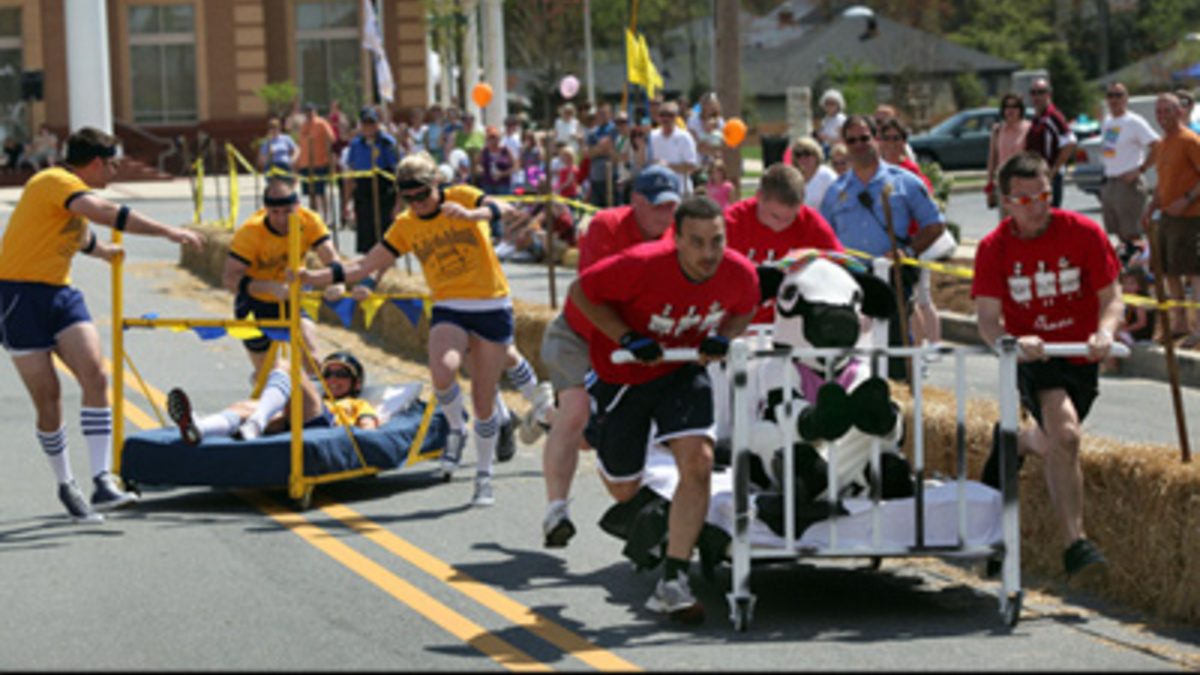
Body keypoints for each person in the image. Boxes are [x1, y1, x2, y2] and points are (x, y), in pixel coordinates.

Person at [568, 195, 758, 624]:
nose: (709, 254)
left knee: (699, 462)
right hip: (625, 376)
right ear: (676, 240)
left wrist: (724, 337)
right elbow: (581, 292)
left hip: (682, 370)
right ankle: (588, 428)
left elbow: (744, 309)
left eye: (717, 241)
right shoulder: (640, 264)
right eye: (697, 242)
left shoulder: (738, 272)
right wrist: (625, 337)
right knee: (623, 489)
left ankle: (672, 581)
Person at [0, 127, 204, 522]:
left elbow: (76, 232)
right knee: (50, 397)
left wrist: (102, 250)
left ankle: (102, 482)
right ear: (95, 163)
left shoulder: (69, 193)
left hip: (60, 294)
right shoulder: (54, 180)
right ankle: (66, 483)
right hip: (17, 297)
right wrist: (168, 231)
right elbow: (105, 214)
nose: (113, 171)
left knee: (95, 375)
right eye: (111, 164)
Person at [299, 152, 521, 507]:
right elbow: (366, 264)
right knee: (442, 372)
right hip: (450, 306)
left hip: (491, 305)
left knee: (483, 401)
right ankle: (454, 430)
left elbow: (504, 209)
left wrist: (474, 215)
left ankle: (483, 476)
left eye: (422, 195)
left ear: (437, 185)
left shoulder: (460, 197)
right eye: (409, 198)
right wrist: (315, 276)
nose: (417, 204)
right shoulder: (405, 225)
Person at [972, 151, 1123, 580]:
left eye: (1041, 195)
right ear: (1005, 201)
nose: (1035, 207)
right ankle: (1075, 543)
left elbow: (1111, 299)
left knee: (1056, 440)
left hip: (1079, 355)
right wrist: (1016, 343)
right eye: (1023, 200)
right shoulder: (993, 248)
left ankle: (1018, 444)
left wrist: (1106, 332)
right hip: (1036, 360)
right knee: (1068, 432)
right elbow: (986, 321)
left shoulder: (1084, 233)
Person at [538, 165, 681, 548]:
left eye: (672, 207)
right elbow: (598, 294)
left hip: (630, 347)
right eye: (658, 207)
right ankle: (556, 513)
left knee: (590, 437)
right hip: (580, 336)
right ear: (636, 202)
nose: (666, 216)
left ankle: (544, 414)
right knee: (578, 412)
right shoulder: (606, 226)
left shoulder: (679, 235)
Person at [820, 115, 946, 379]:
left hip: (892, 280)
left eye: (864, 138)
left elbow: (935, 225)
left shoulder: (904, 182)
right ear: (844, 143)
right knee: (849, 357)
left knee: (896, 353)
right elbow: (823, 237)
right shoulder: (835, 191)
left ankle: (903, 395)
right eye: (852, 140)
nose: (859, 145)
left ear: (876, 138)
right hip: (850, 282)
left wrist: (908, 251)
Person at [225, 178, 345, 378]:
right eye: (274, 213)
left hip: (294, 298)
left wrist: (338, 282)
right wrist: (268, 287)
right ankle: (269, 388)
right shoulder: (250, 232)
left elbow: (332, 258)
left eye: (287, 212)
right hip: (255, 303)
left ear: (297, 206)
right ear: (265, 209)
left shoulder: (309, 220)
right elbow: (229, 279)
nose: (281, 219)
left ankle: (311, 403)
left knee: (313, 361)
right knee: (266, 376)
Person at [166, 352, 379, 446]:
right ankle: (199, 428)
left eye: (341, 375)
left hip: (325, 425)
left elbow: (368, 429)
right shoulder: (317, 397)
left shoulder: (358, 404)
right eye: (328, 374)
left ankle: (256, 424)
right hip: (290, 422)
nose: (333, 380)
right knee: (243, 406)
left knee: (287, 366)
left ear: (356, 383)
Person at [725, 163, 841, 323]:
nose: (783, 223)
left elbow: (840, 268)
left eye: (791, 217)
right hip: (736, 325)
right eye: (775, 216)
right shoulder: (731, 222)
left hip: (791, 327)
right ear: (759, 197)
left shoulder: (811, 223)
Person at [878, 117, 943, 359]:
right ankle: (912, 350)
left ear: (905, 142)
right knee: (904, 303)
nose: (892, 143)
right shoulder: (875, 173)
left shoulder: (913, 176)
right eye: (887, 138)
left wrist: (913, 246)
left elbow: (928, 216)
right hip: (887, 249)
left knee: (918, 299)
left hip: (913, 246)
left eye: (897, 138)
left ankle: (924, 348)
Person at [1142, 92, 1200, 349]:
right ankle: (1179, 325)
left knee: (1194, 272)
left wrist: (1186, 199)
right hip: (1167, 217)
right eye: (1159, 111)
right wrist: (1151, 208)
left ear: (1179, 112)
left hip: (1191, 216)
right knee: (1169, 271)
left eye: (1167, 111)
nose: (1162, 116)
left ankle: (1198, 328)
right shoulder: (1161, 144)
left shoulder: (1190, 140)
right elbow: (1162, 184)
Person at [1097, 83, 1160, 265]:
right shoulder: (1108, 121)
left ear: (1126, 98)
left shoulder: (1134, 121)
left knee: (1132, 231)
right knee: (1116, 231)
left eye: (1119, 95)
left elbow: (1157, 145)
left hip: (1128, 183)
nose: (1114, 100)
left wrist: (1140, 170)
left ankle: (1139, 271)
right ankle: (1126, 271)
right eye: (1111, 95)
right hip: (1111, 181)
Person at [343, 108, 400, 254]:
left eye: (372, 123)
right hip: (363, 193)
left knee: (385, 237)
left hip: (383, 193)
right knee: (366, 235)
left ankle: (387, 269)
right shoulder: (355, 145)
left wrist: (398, 204)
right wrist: (346, 203)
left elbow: (397, 174)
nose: (369, 127)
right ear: (361, 125)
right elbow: (350, 174)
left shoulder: (387, 143)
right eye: (365, 123)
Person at [1024, 78, 1077, 208]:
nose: (1037, 97)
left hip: (1049, 178)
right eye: (1033, 93)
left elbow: (1070, 142)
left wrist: (1054, 169)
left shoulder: (1053, 117)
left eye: (1041, 92)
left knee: (1049, 216)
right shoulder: (1037, 118)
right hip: (1035, 176)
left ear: (1049, 94)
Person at [987, 92, 1031, 221]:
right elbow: (992, 160)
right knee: (1006, 224)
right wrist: (989, 186)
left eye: (1014, 106)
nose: (1010, 110)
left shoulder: (1028, 129)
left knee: (1023, 222)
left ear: (1021, 109)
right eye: (1007, 107)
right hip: (1004, 186)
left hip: (1023, 185)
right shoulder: (998, 130)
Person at [648, 101, 699, 195]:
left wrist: (668, 166)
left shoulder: (684, 137)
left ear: (676, 117)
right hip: (660, 190)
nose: (666, 118)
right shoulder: (652, 136)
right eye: (663, 115)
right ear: (658, 117)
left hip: (681, 190)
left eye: (670, 115)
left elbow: (692, 166)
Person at [296, 102, 335, 219]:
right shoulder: (303, 125)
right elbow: (301, 144)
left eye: (311, 111)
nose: (309, 114)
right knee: (310, 193)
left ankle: (326, 217)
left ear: (315, 111)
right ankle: (314, 217)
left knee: (321, 192)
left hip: (319, 162)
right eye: (307, 111)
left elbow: (331, 139)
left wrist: (329, 159)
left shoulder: (321, 124)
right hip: (305, 163)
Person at [585, 102, 620, 208]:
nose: (603, 115)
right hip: (596, 177)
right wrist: (601, 148)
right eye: (600, 113)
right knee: (596, 210)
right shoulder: (593, 133)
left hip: (612, 176)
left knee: (612, 208)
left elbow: (611, 148)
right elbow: (588, 154)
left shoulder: (615, 130)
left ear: (610, 114)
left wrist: (596, 150)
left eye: (605, 113)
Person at [789, 137, 837, 210]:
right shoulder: (793, 178)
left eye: (807, 153)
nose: (803, 158)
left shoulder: (826, 175)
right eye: (799, 155)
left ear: (816, 154)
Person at [475, 125, 515, 201]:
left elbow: (515, 167)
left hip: (503, 185)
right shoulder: (484, 151)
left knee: (504, 207)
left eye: (494, 137)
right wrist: (479, 168)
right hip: (488, 184)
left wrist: (502, 174)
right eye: (490, 137)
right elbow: (476, 164)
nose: (492, 140)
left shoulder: (505, 150)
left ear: (499, 138)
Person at [816, 89, 847, 154]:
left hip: (838, 151)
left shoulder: (841, 119)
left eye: (832, 104)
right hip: (825, 149)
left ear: (838, 105)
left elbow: (843, 140)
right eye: (827, 104)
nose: (829, 106)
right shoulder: (825, 119)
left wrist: (827, 138)